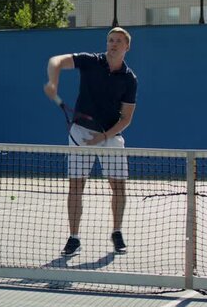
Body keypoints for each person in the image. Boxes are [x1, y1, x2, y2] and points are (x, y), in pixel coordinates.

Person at [43, 27, 138, 257]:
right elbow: (55, 61)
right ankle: (74, 238)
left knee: (119, 186)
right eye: (110, 40)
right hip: (81, 134)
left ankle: (117, 232)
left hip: (110, 136)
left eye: (118, 41)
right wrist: (53, 82)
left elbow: (126, 118)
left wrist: (104, 137)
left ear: (127, 47)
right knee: (76, 185)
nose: (113, 44)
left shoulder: (129, 79)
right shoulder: (89, 61)